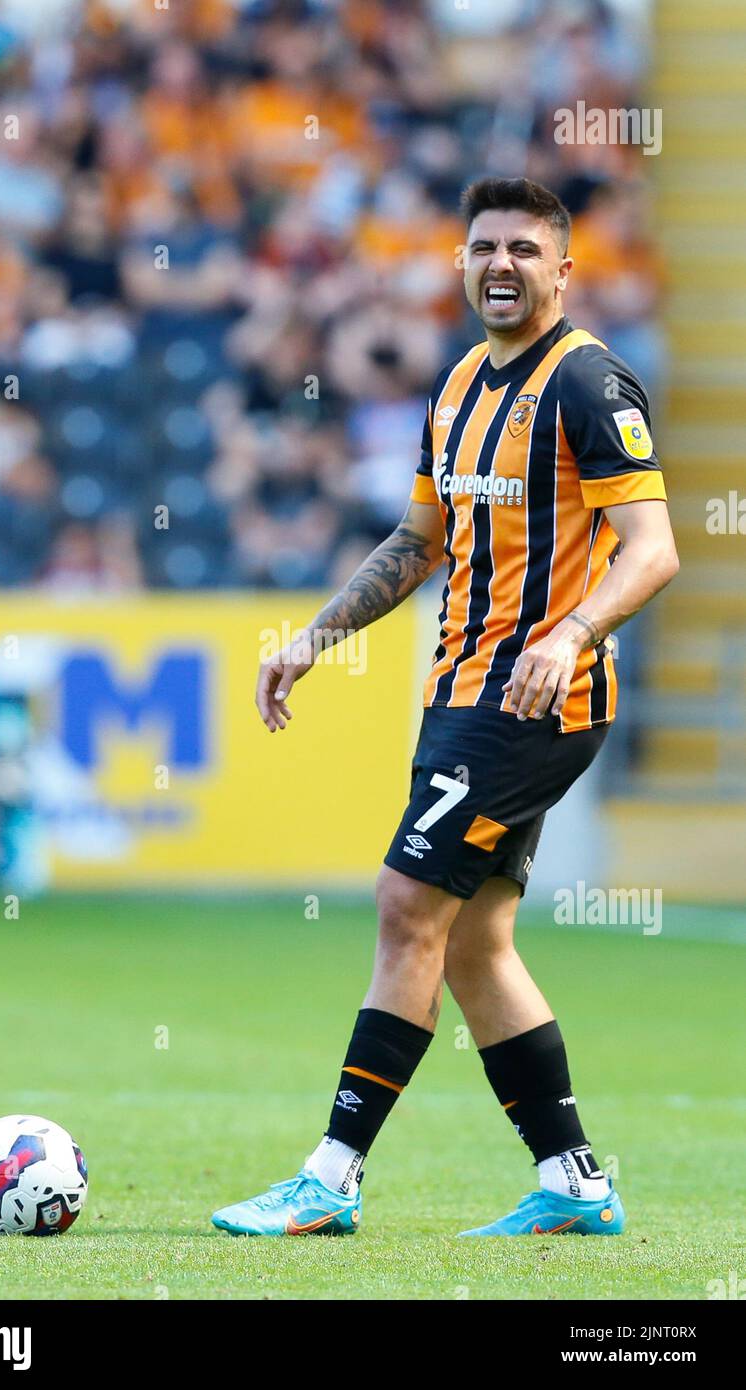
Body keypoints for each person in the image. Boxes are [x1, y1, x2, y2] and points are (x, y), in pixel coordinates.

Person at [212, 177, 678, 1238]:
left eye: (523, 248)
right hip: (457, 694)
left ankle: (329, 1177)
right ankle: (571, 1179)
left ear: (563, 267)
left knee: (403, 902)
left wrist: (564, 635)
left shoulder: (590, 383)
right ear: (460, 265)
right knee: (471, 941)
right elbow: (418, 542)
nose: (499, 265)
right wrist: (313, 639)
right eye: (482, 248)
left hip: (532, 699)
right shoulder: (460, 382)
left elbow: (653, 551)